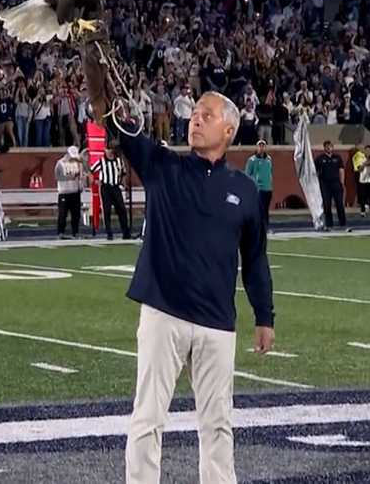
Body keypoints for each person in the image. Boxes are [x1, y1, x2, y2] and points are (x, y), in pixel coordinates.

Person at [111, 91, 274, 484]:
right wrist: (104, 89)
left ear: (229, 129)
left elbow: (255, 258)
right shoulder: (163, 166)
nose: (195, 120)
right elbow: (121, 129)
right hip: (163, 312)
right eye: (194, 114)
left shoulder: (245, 190)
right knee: (148, 417)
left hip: (217, 322)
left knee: (218, 424)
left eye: (206, 115)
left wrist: (264, 316)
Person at [91, 144, 131, 240]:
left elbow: (123, 173)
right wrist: (95, 181)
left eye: (110, 149)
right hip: (105, 187)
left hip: (116, 187)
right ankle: (109, 233)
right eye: (107, 149)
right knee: (106, 210)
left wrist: (124, 185)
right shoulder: (101, 161)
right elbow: (91, 171)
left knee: (121, 209)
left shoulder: (119, 161)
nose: (109, 151)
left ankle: (125, 232)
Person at [314, 140, 346, 230]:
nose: (329, 148)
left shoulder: (337, 157)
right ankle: (329, 224)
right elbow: (314, 171)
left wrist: (342, 182)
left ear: (333, 147)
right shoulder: (320, 158)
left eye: (330, 146)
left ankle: (343, 223)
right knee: (327, 205)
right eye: (327, 146)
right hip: (325, 184)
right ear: (324, 148)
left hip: (336, 183)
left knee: (339, 204)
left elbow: (341, 170)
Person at [55, 145, 85, 239]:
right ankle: (60, 232)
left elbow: (81, 175)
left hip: (75, 191)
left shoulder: (78, 163)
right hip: (64, 191)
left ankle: (75, 232)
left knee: (76, 214)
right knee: (63, 214)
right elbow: (58, 177)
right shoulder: (60, 163)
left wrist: (81, 185)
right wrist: (70, 177)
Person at [244, 139, 273, 230]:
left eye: (263, 146)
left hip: (268, 188)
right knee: (260, 209)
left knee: (266, 209)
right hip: (259, 188)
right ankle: (258, 227)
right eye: (260, 146)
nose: (261, 148)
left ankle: (266, 227)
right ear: (257, 147)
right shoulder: (252, 160)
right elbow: (247, 174)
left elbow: (270, 172)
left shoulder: (268, 159)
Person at [353, 144, 370, 217]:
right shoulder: (360, 158)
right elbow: (359, 169)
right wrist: (365, 164)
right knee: (363, 196)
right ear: (364, 151)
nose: (368, 152)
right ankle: (363, 211)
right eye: (367, 150)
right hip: (363, 180)